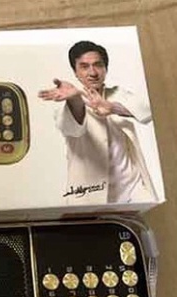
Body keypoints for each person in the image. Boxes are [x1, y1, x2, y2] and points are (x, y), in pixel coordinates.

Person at [38, 40, 156, 204]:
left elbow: (148, 111)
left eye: (98, 65)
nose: (92, 72)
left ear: (105, 69)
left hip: (133, 189)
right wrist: (74, 99)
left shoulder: (119, 94)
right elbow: (74, 127)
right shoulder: (69, 105)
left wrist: (111, 107)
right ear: (75, 72)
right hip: (91, 194)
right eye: (84, 66)